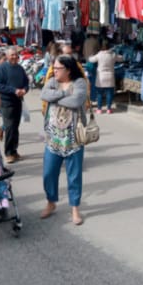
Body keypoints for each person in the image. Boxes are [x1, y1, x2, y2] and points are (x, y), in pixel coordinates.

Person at [39, 55, 88, 225]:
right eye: (54, 68)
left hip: (73, 138)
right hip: (53, 137)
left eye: (58, 68)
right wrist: (63, 93)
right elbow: (44, 95)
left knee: (74, 176)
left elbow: (76, 101)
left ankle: (75, 208)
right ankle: (51, 202)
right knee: (48, 174)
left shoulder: (80, 83)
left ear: (68, 70)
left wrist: (56, 97)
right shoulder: (52, 81)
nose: (54, 71)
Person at [0, 48, 29, 163]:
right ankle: (8, 153)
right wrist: (14, 90)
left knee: (15, 127)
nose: (14, 57)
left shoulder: (20, 68)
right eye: (12, 55)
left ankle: (14, 151)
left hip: (18, 100)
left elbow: (26, 82)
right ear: (7, 56)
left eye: (16, 55)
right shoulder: (1, 69)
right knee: (10, 127)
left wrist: (25, 90)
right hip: (6, 102)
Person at [88, 41, 122, 114]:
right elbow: (121, 58)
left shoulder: (99, 54)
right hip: (110, 77)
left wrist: (90, 56)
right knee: (109, 93)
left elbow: (91, 60)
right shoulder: (113, 54)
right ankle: (109, 109)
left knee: (99, 94)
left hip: (101, 77)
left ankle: (99, 109)